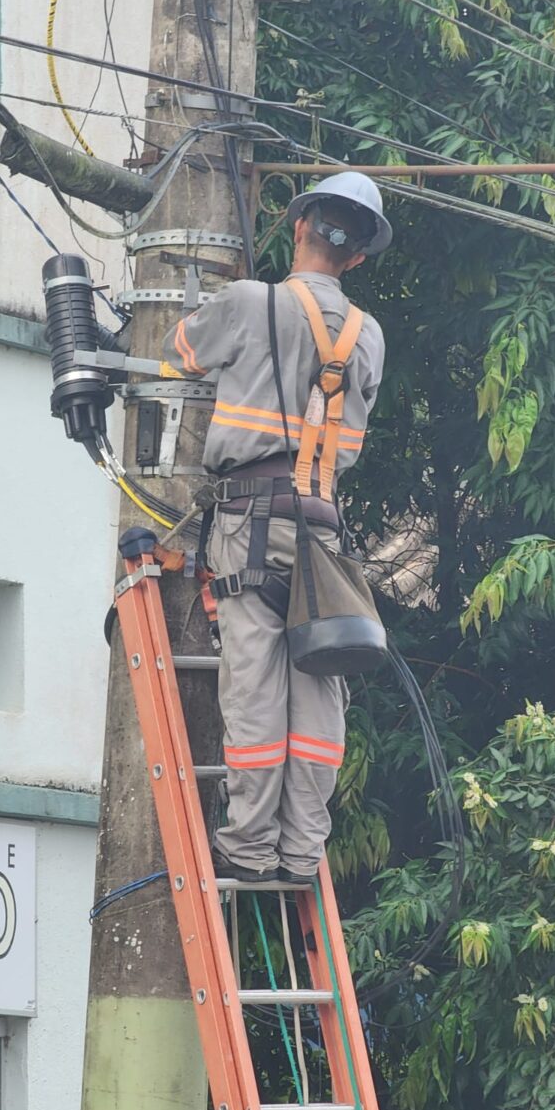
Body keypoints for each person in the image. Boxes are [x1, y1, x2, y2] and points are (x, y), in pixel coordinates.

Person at [162, 173, 392, 883]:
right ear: (356, 258)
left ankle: (253, 847)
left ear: (299, 226)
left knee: (255, 683)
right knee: (320, 683)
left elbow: (178, 353)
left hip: (251, 520)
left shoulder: (247, 303)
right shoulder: (369, 336)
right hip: (326, 532)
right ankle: (302, 851)